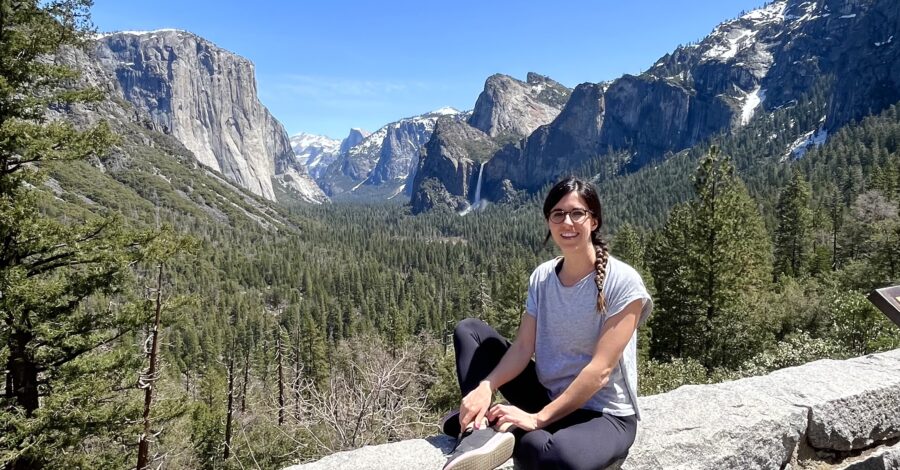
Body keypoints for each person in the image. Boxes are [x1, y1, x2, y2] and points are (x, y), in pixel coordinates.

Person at [441, 176, 653, 470]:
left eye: (577, 213)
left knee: (543, 451)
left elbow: (600, 371)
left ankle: (501, 428)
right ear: (549, 222)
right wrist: (486, 387)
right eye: (558, 214)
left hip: (604, 414)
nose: (567, 222)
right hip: (547, 394)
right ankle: (475, 430)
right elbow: (522, 348)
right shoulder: (542, 277)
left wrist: (536, 419)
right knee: (469, 332)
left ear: (594, 221)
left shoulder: (623, 282)